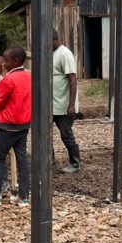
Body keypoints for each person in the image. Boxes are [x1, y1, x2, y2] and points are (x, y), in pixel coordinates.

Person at [0, 46, 31, 208]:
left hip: (7, 126)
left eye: (6, 60)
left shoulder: (9, 79)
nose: (3, 63)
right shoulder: (28, 76)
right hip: (24, 125)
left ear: (15, 61)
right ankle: (24, 197)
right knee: (22, 160)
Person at [52, 30, 80, 173]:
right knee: (44, 133)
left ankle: (75, 163)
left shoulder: (65, 54)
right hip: (51, 104)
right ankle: (49, 160)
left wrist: (71, 105)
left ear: (54, 40)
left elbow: (72, 80)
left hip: (63, 105)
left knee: (66, 134)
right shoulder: (50, 54)